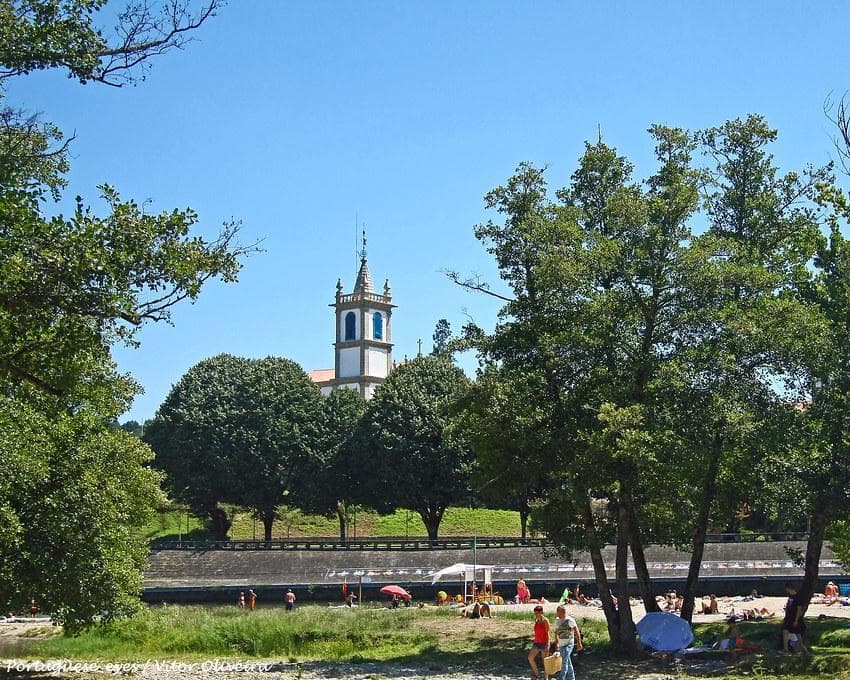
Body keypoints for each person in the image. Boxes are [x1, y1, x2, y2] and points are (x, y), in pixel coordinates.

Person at [554, 604, 582, 680]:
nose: (559, 615)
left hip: (569, 643)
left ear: (564, 612)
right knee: (567, 661)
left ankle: (561, 678)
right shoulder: (557, 620)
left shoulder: (570, 620)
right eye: (558, 613)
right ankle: (572, 678)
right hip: (561, 644)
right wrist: (556, 642)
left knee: (564, 662)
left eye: (561, 613)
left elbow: (576, 631)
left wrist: (579, 642)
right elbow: (556, 632)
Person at [781, 583, 808, 654]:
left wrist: (796, 620)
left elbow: (799, 609)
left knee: (797, 634)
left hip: (794, 618)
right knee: (785, 630)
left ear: (789, 588)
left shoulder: (797, 597)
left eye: (786, 589)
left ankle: (804, 650)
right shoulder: (790, 597)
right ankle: (785, 648)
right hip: (788, 618)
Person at [527, 605, 550, 680]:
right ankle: (537, 674)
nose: (536, 615)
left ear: (541, 612)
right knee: (530, 658)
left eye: (537, 613)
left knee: (545, 662)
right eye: (535, 613)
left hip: (544, 643)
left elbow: (548, 633)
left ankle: (546, 678)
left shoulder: (545, 621)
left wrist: (547, 645)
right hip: (536, 642)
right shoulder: (536, 620)